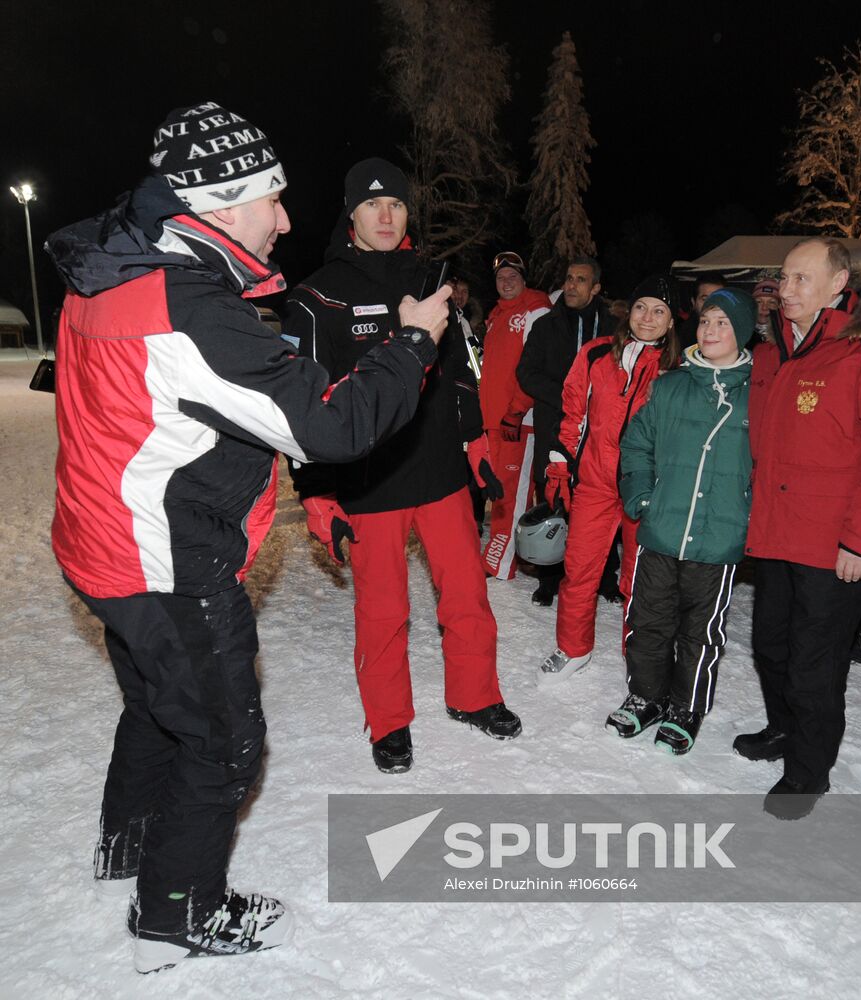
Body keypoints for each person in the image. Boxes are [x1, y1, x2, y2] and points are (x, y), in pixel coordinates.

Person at [44, 104, 452, 972]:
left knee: (161, 702)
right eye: (272, 198)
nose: (286, 218)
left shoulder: (119, 262)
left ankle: (133, 846)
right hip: (161, 556)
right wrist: (414, 342)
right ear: (220, 203)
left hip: (100, 539)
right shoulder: (185, 307)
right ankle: (179, 909)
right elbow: (331, 428)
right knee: (225, 738)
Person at [282, 158, 520, 777]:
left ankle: (476, 696)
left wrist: (476, 448)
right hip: (370, 485)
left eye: (397, 205)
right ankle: (389, 723)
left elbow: (459, 377)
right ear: (352, 214)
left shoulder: (433, 279)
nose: (386, 216)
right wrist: (316, 494)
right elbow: (301, 407)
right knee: (384, 612)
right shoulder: (317, 296)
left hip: (440, 475)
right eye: (372, 205)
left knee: (467, 596)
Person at [737, 237, 861, 820]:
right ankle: (782, 729)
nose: (786, 290)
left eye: (802, 278)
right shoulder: (774, 355)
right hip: (776, 536)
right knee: (771, 646)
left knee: (814, 664)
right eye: (783, 278)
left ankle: (808, 772)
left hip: (836, 548)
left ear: (839, 283)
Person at [611, 288, 755, 752]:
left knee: (700, 632)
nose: (711, 331)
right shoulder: (670, 385)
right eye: (706, 321)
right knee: (648, 621)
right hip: (662, 530)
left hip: (718, 539)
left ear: (743, 332)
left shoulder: (760, 394)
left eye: (723, 324)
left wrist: (748, 514)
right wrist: (641, 497)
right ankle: (647, 697)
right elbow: (636, 445)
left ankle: (686, 707)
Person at [537, 276, 681, 684]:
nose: (647, 317)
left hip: (648, 489)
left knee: (639, 578)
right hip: (596, 482)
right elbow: (572, 413)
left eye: (658, 311)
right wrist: (562, 463)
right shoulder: (596, 353)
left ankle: (638, 655)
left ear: (671, 322)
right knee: (580, 567)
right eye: (640, 307)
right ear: (627, 311)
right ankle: (573, 648)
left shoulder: (678, 369)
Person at [516, 255, 619, 606]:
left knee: (598, 503)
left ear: (596, 288)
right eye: (569, 278)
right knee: (553, 500)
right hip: (556, 429)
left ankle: (605, 576)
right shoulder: (546, 325)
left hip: (599, 433)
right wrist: (569, 396)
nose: (571, 285)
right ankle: (549, 578)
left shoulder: (613, 327)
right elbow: (526, 373)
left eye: (580, 280)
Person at [480, 251, 551, 579]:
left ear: (524, 279)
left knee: (513, 492)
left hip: (518, 421)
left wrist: (517, 410)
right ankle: (511, 555)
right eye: (500, 278)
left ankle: (501, 561)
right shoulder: (495, 315)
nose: (506, 283)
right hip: (494, 421)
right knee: (501, 492)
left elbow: (534, 367)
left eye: (513, 277)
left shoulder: (535, 309)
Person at [677, 271, 727, 349]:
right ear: (694, 302)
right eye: (705, 299)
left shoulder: (736, 334)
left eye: (717, 299)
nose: (711, 305)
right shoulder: (679, 337)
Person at [750, 277, 780, 344]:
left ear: (779, 306)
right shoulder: (741, 333)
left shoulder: (786, 336)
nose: (764, 307)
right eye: (759, 302)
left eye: (771, 302)